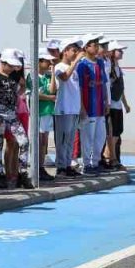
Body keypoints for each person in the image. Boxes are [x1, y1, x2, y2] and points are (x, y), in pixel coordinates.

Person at [0, 48, 32, 189]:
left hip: (12, 114)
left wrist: (18, 94)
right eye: (10, 65)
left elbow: (24, 85)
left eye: (14, 65)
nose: (13, 68)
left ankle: (22, 173)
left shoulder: (14, 75)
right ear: (3, 62)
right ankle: (0, 174)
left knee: (24, 141)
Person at [76, 34, 109, 175]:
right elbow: (78, 88)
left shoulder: (101, 63)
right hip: (88, 108)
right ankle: (86, 164)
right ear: (86, 47)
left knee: (101, 136)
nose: (97, 47)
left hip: (100, 108)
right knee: (87, 137)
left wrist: (106, 102)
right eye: (93, 44)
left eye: (97, 44)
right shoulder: (82, 65)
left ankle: (95, 162)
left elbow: (104, 84)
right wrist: (82, 107)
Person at [53, 38, 84, 178]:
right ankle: (60, 167)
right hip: (63, 108)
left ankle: (67, 164)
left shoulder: (74, 69)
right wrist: (76, 61)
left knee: (70, 139)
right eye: (73, 50)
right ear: (65, 51)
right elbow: (64, 78)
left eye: (77, 51)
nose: (76, 53)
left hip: (74, 109)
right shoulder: (59, 66)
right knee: (62, 139)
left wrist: (81, 108)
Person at [105, 41, 131, 171]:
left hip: (117, 104)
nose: (121, 52)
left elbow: (121, 89)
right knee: (112, 133)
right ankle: (110, 158)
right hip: (111, 105)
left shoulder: (117, 68)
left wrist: (125, 104)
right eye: (118, 50)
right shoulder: (108, 67)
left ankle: (114, 158)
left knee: (117, 133)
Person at [35, 50, 58, 182]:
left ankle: (41, 167)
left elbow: (52, 90)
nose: (50, 63)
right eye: (47, 61)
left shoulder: (49, 76)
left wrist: (53, 72)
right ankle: (36, 167)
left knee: (44, 141)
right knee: (38, 141)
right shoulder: (32, 76)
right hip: (38, 112)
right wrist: (49, 97)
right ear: (40, 62)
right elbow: (34, 94)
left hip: (48, 111)